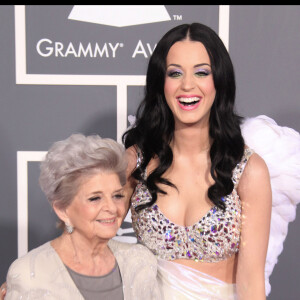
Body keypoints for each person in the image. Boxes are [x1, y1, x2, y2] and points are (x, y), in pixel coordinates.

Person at [123, 23, 272, 299]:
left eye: (202, 72)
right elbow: (89, 240)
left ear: (219, 81)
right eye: (175, 73)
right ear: (161, 83)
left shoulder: (248, 171)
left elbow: (252, 284)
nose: (187, 85)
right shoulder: (135, 161)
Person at [3, 133, 162, 300]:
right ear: (62, 209)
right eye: (95, 198)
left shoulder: (140, 263)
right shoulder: (29, 274)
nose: (111, 208)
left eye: (117, 196)